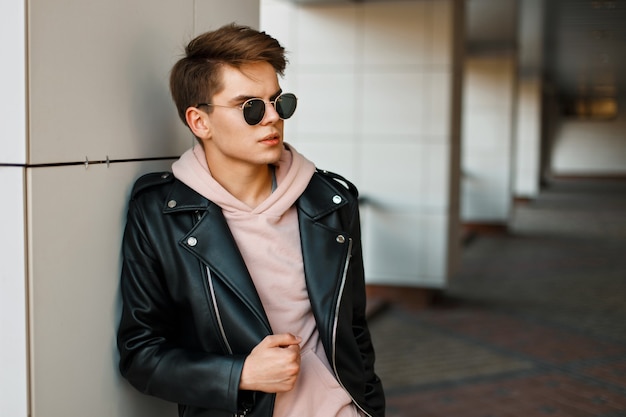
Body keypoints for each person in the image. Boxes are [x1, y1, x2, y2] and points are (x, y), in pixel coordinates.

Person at [117, 23, 385, 417]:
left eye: (280, 102)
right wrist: (239, 374)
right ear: (199, 122)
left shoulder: (330, 202)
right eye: (251, 107)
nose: (272, 118)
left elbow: (354, 330)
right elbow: (140, 354)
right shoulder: (161, 215)